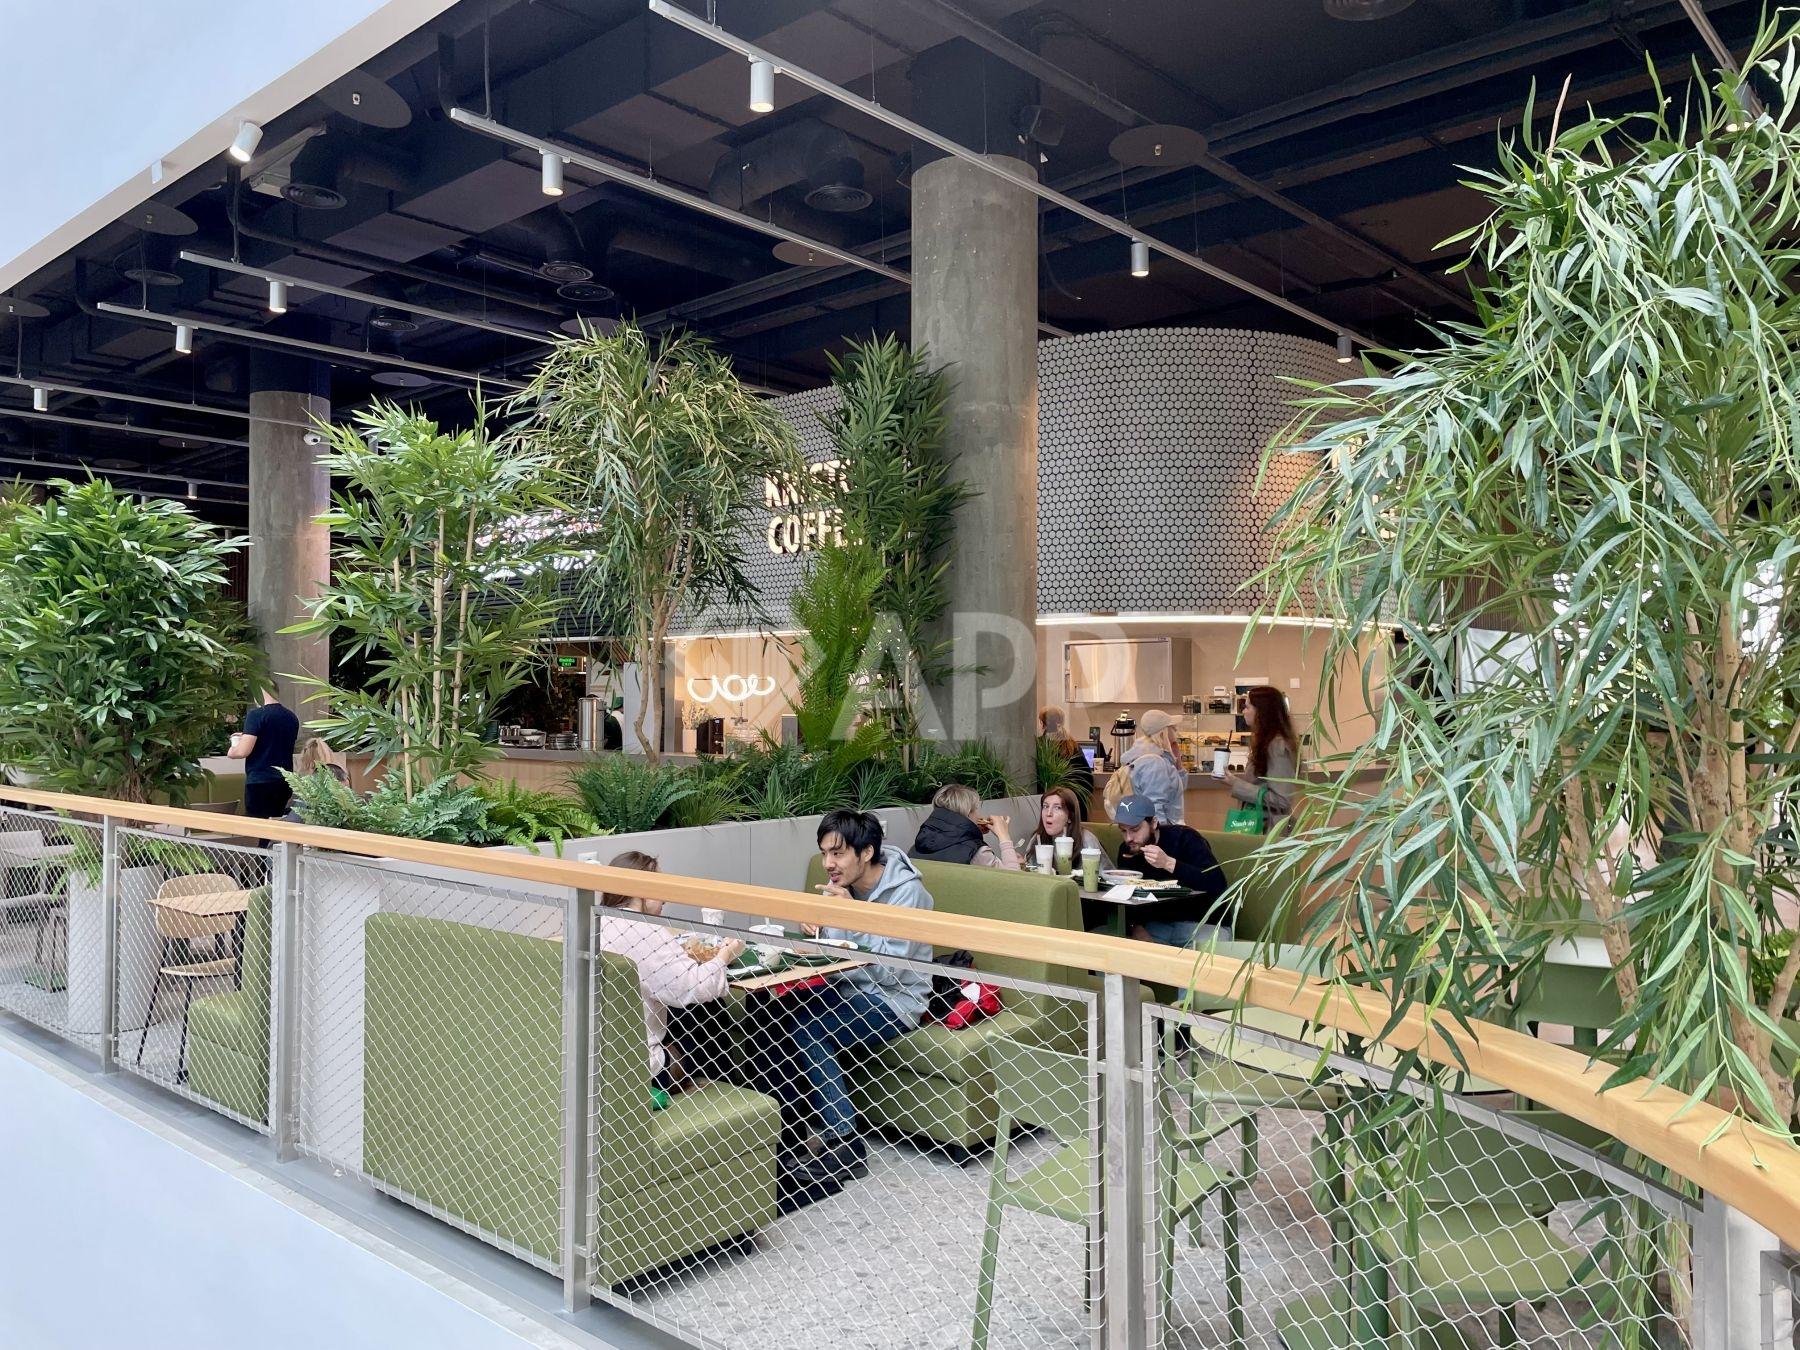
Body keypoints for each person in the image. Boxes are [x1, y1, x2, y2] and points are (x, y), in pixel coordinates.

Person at [786, 808, 934, 1183]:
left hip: (895, 1001)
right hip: (845, 988)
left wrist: (849, 917)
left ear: (866, 852)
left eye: (837, 853)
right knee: (776, 1011)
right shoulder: (842, 888)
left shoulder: (908, 894)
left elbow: (890, 971)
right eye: (824, 853)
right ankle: (787, 1135)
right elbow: (834, 952)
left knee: (809, 1027)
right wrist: (815, 930)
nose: (828, 864)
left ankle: (846, 1144)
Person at [596, 850, 743, 1092]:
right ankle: (733, 1091)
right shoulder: (645, 931)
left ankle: (731, 1088)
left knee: (693, 1012)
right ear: (641, 889)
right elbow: (694, 987)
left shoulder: (597, 921)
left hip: (602, 1055)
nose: (665, 897)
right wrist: (725, 954)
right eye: (660, 885)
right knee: (709, 1010)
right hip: (644, 1068)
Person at [1110, 793, 1229, 947]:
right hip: (1157, 926)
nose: (1128, 838)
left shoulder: (1185, 838)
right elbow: (1127, 897)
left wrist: (1168, 863)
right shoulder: (1127, 851)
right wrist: (1135, 926)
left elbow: (1216, 883)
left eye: (1135, 829)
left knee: (1206, 955)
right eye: (1123, 831)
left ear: (1153, 823)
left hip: (1203, 923)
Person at [1226, 685, 1300, 826]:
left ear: (1261, 711)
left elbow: (1282, 800)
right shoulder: (1265, 742)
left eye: (1247, 707)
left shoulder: (1277, 746)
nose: (1243, 711)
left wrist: (1235, 783)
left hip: (1269, 829)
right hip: (1261, 826)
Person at [909, 783, 1022, 869]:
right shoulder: (977, 853)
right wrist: (1004, 836)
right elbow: (1014, 881)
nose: (979, 815)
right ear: (968, 813)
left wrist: (972, 833)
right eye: (976, 809)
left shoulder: (920, 844)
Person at [229, 688, 300, 819]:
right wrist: (247, 735)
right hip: (284, 781)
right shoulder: (291, 717)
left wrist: (232, 749)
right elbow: (272, 739)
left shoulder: (256, 715)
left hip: (260, 781)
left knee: (258, 825)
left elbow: (241, 751)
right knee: (276, 822)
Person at [1119, 708, 1187, 824]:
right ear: (1163, 732)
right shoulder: (1154, 763)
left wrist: (1178, 762)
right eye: (1172, 727)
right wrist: (1161, 833)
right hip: (1166, 829)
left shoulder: (1155, 757)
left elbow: (1174, 791)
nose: (1176, 730)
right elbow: (1155, 808)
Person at [1026, 785, 1109, 866]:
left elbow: (1106, 873)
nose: (1049, 813)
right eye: (1045, 806)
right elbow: (1029, 870)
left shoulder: (1086, 840)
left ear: (1070, 817)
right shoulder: (1037, 838)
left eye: (1057, 807)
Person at [1039, 705, 1094, 807]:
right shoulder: (1072, 744)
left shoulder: (1040, 746)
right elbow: (1087, 780)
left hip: (1048, 803)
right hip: (1073, 802)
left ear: (1042, 724)